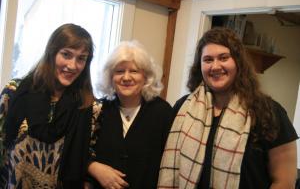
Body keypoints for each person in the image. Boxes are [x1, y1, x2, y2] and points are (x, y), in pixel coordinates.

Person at [158, 27, 298, 189]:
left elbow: (284, 181)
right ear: (200, 66)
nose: (215, 66)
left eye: (224, 58)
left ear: (238, 62)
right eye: (208, 60)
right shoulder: (183, 108)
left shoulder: (268, 111)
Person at [0, 23, 101, 188]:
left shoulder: (90, 107)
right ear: (52, 53)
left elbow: (86, 158)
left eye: (81, 58)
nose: (73, 65)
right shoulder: (14, 91)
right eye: (66, 54)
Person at [86, 40, 173, 189]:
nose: (126, 78)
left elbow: (171, 162)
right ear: (110, 77)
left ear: (145, 76)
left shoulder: (163, 112)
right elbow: (78, 151)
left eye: (134, 71)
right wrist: (93, 167)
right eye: (119, 71)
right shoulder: (97, 110)